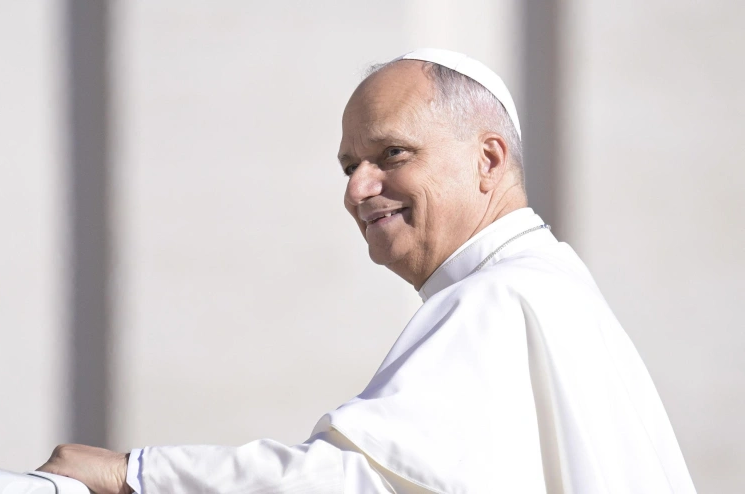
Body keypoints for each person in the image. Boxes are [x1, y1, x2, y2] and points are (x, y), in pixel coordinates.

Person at [38, 48, 696, 493]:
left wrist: (136, 474)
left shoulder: (500, 298)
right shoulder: (545, 285)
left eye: (392, 153)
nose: (359, 189)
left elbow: (355, 485)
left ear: (488, 160)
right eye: (350, 165)